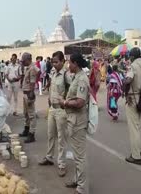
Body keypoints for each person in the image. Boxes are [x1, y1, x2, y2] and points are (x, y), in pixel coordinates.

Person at [58, 53, 89, 194]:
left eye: (70, 63)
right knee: (77, 155)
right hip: (73, 119)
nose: (68, 65)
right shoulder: (77, 76)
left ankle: (82, 188)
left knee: (80, 157)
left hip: (78, 121)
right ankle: (77, 180)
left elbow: (80, 102)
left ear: (75, 63)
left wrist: (65, 102)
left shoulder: (82, 78)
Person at [38, 51, 70, 177]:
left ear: (63, 61)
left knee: (62, 138)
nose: (54, 64)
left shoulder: (66, 75)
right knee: (50, 134)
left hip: (61, 110)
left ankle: (62, 164)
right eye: (53, 62)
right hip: (51, 108)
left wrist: (66, 102)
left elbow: (71, 90)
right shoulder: (52, 72)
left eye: (57, 62)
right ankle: (49, 157)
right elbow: (52, 85)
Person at [123, 47, 141, 165]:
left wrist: (124, 87)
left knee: (134, 129)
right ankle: (137, 152)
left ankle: (136, 156)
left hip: (133, 98)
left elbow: (128, 80)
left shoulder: (132, 66)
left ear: (132, 56)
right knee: (137, 126)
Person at [19, 52, 39, 143]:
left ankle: (32, 134)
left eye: (24, 61)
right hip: (25, 93)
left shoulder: (32, 68)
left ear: (28, 60)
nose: (22, 62)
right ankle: (26, 130)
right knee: (26, 114)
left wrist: (31, 95)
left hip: (28, 94)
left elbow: (32, 82)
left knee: (31, 115)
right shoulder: (28, 68)